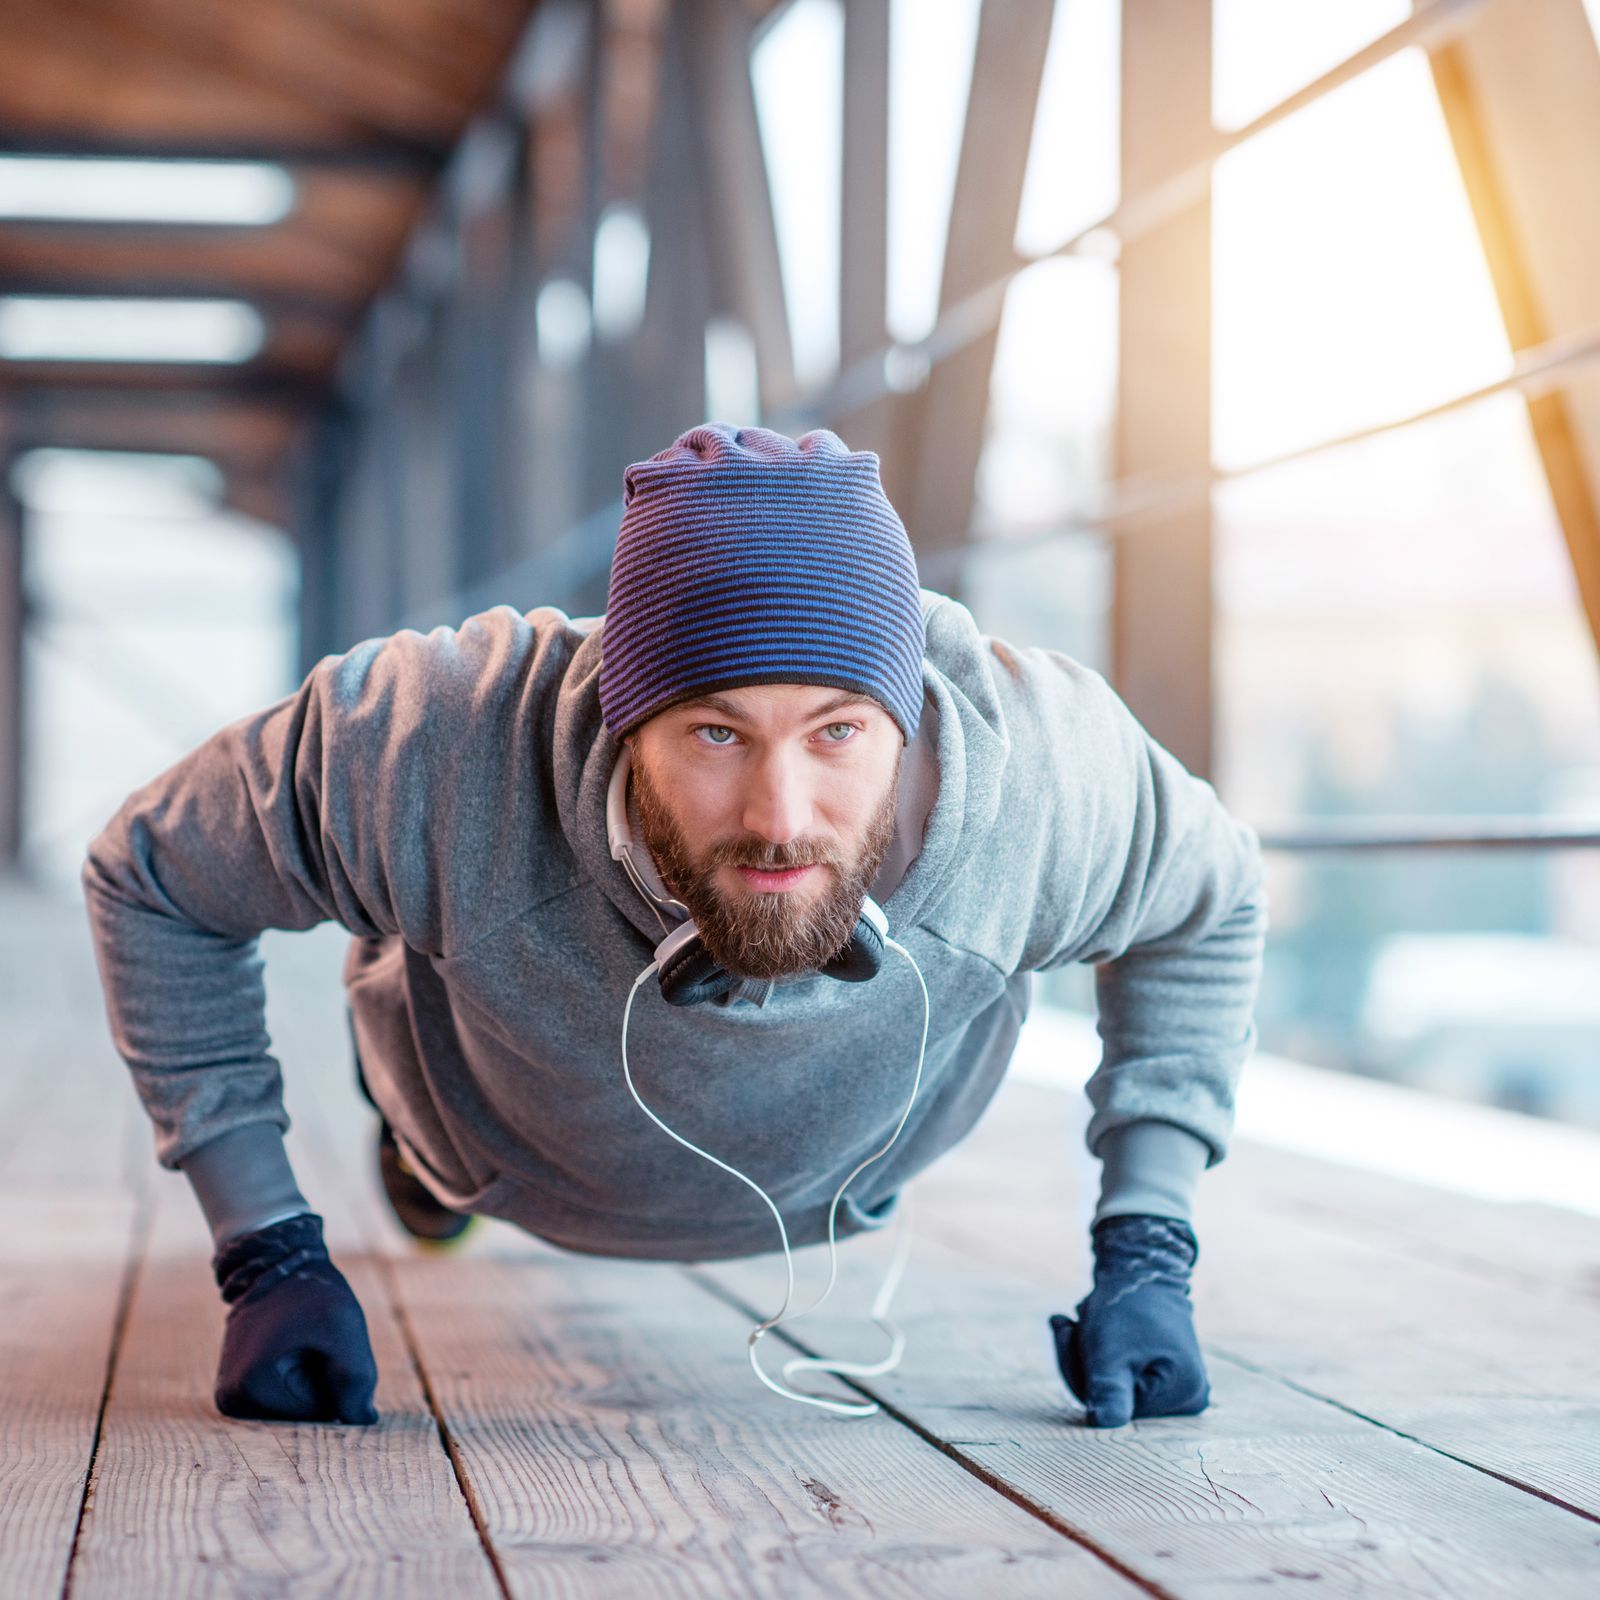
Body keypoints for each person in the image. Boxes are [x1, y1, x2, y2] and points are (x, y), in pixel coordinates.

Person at [81, 422, 1267, 1431]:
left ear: (903, 720)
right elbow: (150, 875)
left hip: (848, 1175)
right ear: (619, 714)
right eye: (714, 733)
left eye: (838, 732)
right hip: (490, 1132)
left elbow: (1210, 904)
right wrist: (265, 1247)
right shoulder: (430, 741)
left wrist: (1147, 1243)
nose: (779, 814)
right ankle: (419, 1156)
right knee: (426, 988)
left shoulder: (1046, 781)